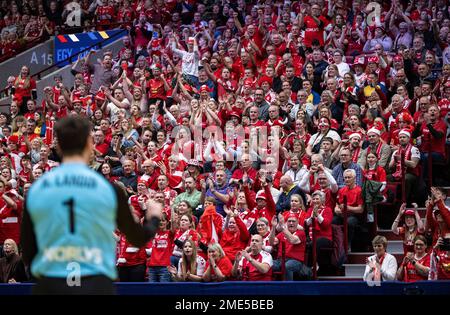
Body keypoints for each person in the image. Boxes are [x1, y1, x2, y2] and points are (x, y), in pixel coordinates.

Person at [21, 116, 162, 294]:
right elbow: (137, 238)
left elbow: (28, 251)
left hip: (51, 282)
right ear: (89, 143)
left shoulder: (37, 189)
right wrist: (153, 217)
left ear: (58, 146)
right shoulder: (107, 188)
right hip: (95, 283)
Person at [269, 214, 311, 281]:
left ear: (297, 223)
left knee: (288, 266)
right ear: (287, 223)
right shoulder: (282, 233)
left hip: (295, 261)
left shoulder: (301, 233)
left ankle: (288, 288)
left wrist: (283, 226)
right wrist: (273, 227)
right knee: (267, 265)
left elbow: (293, 240)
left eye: (293, 221)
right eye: (289, 221)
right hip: (280, 260)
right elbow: (271, 242)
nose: (291, 223)